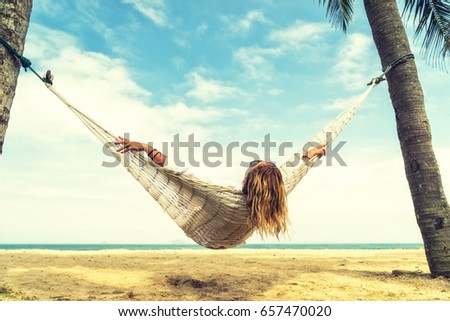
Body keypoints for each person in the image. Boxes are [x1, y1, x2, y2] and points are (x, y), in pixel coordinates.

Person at [115, 136, 326, 238]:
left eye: (254, 165)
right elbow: (291, 170)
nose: (251, 164)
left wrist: (145, 147)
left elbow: (179, 171)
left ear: (249, 179)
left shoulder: (229, 197)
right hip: (229, 235)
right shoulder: (276, 190)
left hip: (212, 235)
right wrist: (310, 155)